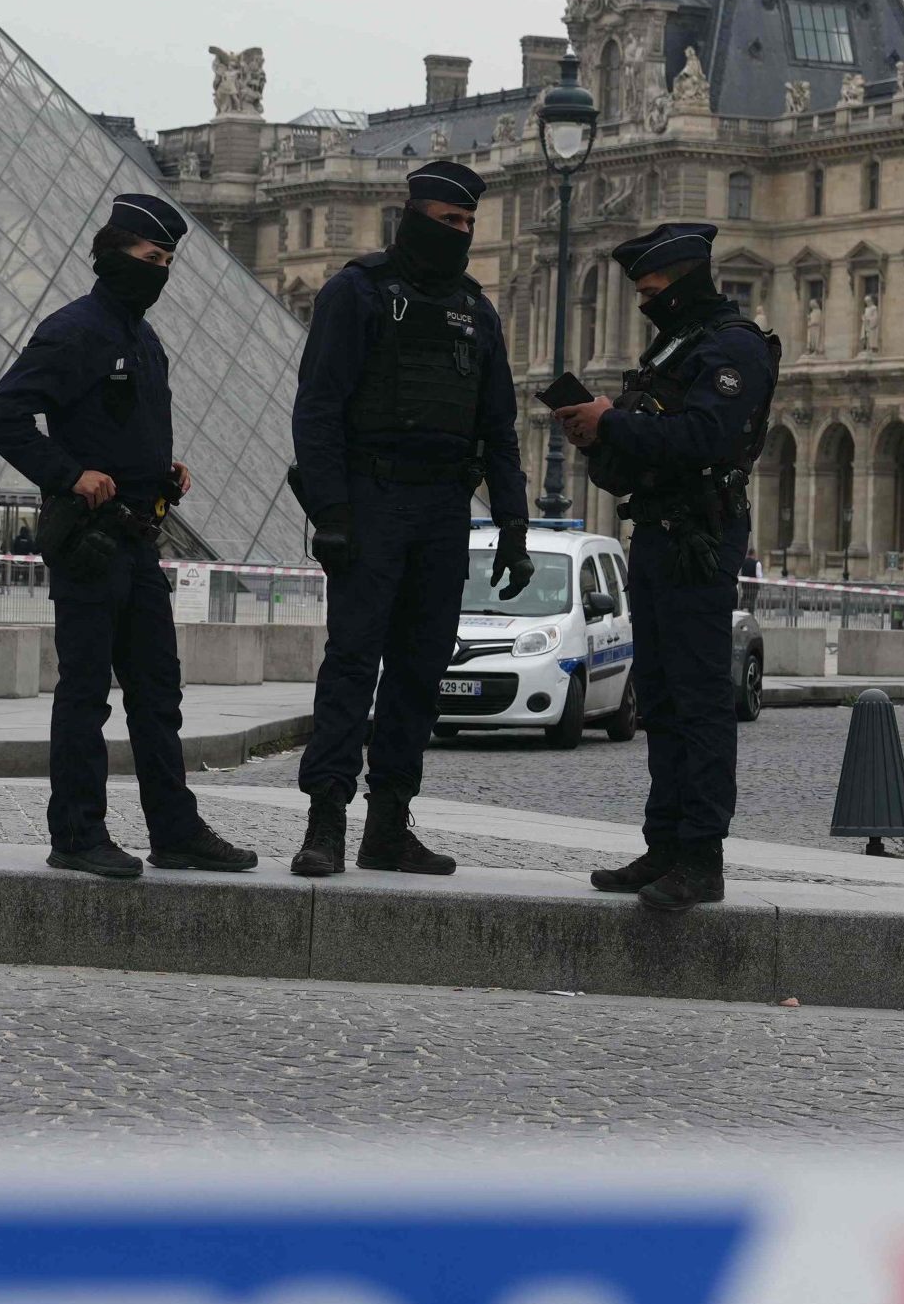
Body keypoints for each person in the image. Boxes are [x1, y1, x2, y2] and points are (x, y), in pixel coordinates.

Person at [0, 192, 257, 882]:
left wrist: (165, 470)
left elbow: (122, 425)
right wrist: (69, 474)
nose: (159, 271)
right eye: (149, 257)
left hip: (138, 537)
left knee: (158, 692)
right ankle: (77, 833)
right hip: (91, 541)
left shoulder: (144, 338)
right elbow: (1, 414)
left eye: (166, 261)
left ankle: (175, 831)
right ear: (111, 255)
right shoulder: (74, 331)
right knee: (85, 693)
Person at [288, 158, 533, 877]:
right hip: (372, 499)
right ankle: (325, 821)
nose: (460, 232)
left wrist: (514, 526)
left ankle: (389, 823)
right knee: (351, 664)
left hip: (442, 509)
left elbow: (499, 427)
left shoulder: (476, 311)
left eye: (468, 223)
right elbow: (318, 408)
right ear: (413, 216)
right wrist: (331, 512)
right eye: (449, 220)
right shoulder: (356, 291)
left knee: (420, 672)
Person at [552, 223, 779, 912]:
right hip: (655, 531)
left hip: (700, 536)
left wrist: (612, 422)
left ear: (683, 283)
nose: (645, 303)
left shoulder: (733, 346)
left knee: (699, 698)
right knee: (659, 695)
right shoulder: (674, 346)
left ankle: (701, 856)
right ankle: (664, 844)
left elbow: (705, 436)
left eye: (652, 291)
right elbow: (642, 449)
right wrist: (596, 436)